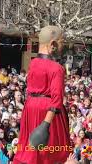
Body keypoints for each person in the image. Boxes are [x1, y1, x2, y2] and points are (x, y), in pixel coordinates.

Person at [13, 26, 72, 164]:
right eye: (62, 41)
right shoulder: (57, 68)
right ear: (53, 44)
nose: (63, 45)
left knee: (29, 153)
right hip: (48, 112)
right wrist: (45, 125)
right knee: (54, 154)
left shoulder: (33, 63)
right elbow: (56, 100)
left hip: (30, 108)